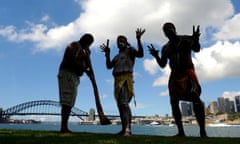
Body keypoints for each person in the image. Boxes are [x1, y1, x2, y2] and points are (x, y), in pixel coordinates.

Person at [148, 22, 207, 138]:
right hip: (175, 75)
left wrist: (196, 39)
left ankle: (203, 132)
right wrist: (155, 56)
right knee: (174, 102)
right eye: (165, 30)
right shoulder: (165, 48)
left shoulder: (186, 39)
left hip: (187, 72)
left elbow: (197, 49)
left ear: (175, 29)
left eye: (170, 28)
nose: (168, 30)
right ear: (164, 33)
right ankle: (181, 132)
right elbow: (163, 64)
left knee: (195, 97)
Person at [100, 28, 145, 136]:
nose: (120, 43)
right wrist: (107, 54)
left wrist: (138, 40)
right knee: (120, 105)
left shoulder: (130, 51)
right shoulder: (116, 56)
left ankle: (127, 129)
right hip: (117, 81)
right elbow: (108, 66)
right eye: (118, 41)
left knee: (124, 104)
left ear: (126, 42)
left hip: (126, 79)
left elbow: (140, 54)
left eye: (122, 41)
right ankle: (124, 128)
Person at [58, 33, 94, 133]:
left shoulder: (84, 51)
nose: (89, 45)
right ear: (84, 40)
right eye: (89, 42)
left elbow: (85, 65)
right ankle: (63, 128)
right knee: (67, 101)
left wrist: (88, 57)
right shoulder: (75, 45)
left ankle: (64, 127)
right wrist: (86, 70)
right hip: (68, 74)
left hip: (74, 76)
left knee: (70, 102)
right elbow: (71, 59)